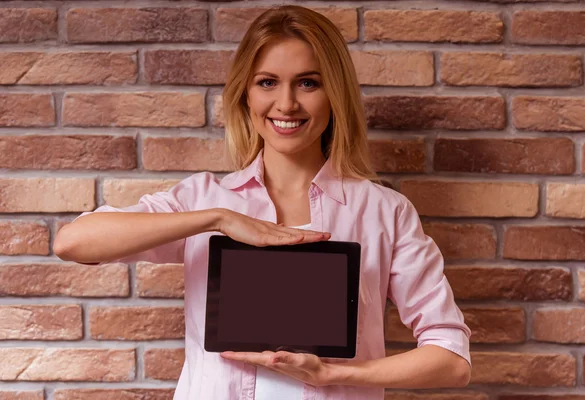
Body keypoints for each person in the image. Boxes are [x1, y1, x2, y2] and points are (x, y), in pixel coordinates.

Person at [54, 5, 471, 400]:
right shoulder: (205, 200)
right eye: (267, 82)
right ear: (246, 95)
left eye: (308, 83)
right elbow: (73, 243)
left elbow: (451, 359)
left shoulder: (384, 212)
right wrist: (219, 219)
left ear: (334, 95)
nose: (286, 103)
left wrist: (336, 373)